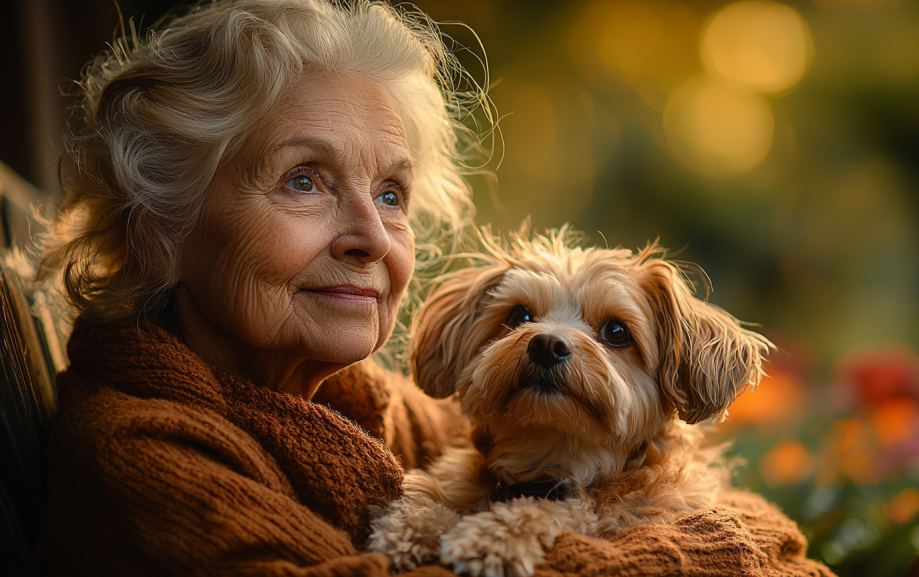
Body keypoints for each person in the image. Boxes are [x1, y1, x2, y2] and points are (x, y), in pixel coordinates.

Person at [35, 1, 834, 575]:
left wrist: (718, 535)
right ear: (158, 225)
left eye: (390, 195)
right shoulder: (144, 453)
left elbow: (768, 533)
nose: (370, 236)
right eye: (304, 180)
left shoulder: (362, 405)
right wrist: (712, 547)